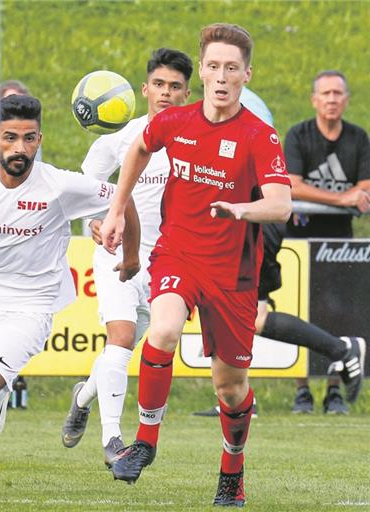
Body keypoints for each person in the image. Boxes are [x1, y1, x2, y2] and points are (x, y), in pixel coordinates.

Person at [99, 23, 292, 507]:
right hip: (178, 252)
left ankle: (232, 471)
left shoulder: (258, 136)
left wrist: (242, 209)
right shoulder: (177, 121)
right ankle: (145, 442)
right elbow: (139, 148)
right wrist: (117, 209)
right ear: (202, 72)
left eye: (232, 68)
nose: (222, 77)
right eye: (213, 67)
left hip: (233, 274)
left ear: (246, 74)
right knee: (161, 329)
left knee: (230, 389)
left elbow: (282, 204)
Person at [193, 85, 366, 417]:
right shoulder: (225, 116)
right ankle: (240, 398)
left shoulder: (245, 119)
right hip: (248, 225)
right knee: (236, 317)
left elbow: (266, 184)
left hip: (255, 227)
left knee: (249, 318)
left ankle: (340, 349)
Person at [60, 48, 193, 468]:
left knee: (132, 347)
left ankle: (82, 398)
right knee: (118, 340)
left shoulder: (196, 138)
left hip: (171, 263)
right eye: (159, 85)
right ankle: (113, 440)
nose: (166, 93)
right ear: (144, 88)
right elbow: (87, 192)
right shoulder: (119, 137)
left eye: (175, 87)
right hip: (118, 253)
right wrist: (98, 224)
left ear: (188, 92)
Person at [0, 94, 141, 442]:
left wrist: (130, 257)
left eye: (29, 138)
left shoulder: (60, 185)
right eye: (9, 137)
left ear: (39, 140)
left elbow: (123, 198)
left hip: (28, 309)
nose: (19, 149)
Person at [284, 70, 370, 414]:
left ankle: (334, 390)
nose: (332, 99)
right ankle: (301, 390)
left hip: (340, 240)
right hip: (298, 238)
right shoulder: (298, 135)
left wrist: (353, 197)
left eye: (338, 93)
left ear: (346, 99)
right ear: (314, 100)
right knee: (297, 312)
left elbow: (365, 190)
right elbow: (292, 185)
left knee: (338, 313)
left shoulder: (358, 138)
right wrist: (342, 199)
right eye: (326, 93)